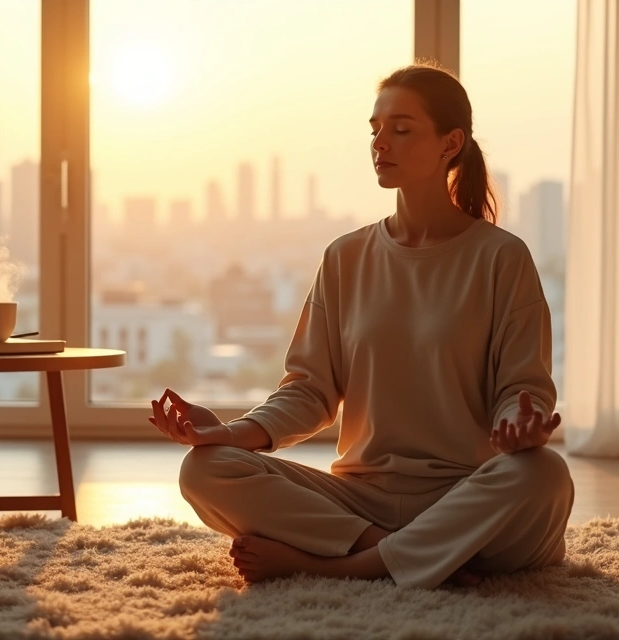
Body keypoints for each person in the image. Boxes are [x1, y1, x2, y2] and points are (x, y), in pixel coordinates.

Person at [148, 62, 574, 590]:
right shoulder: (345, 257)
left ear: (450, 143)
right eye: (374, 129)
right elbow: (309, 392)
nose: (380, 143)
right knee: (204, 469)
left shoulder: (501, 257)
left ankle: (341, 565)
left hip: (466, 494)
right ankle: (401, 554)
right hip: (359, 499)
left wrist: (519, 427)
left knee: (543, 475)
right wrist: (229, 432)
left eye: (401, 129)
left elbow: (522, 386)